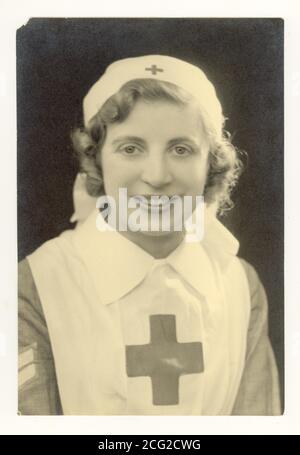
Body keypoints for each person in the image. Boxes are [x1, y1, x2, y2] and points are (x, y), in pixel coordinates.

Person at [18, 55, 281, 415]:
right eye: (130, 148)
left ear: (210, 165)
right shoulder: (35, 284)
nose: (156, 176)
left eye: (181, 149)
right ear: (97, 160)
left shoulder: (239, 284)